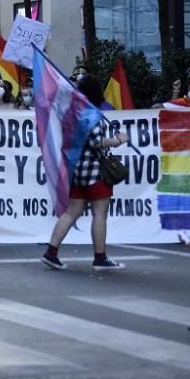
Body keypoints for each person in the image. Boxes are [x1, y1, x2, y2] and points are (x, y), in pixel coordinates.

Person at [41, 74, 128, 271]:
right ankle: (100, 257)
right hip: (95, 172)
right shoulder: (91, 114)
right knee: (100, 213)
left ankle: (51, 252)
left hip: (77, 171)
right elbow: (97, 142)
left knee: (71, 212)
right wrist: (119, 139)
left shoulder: (73, 114)